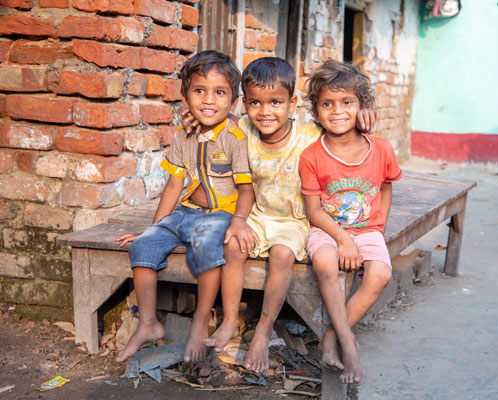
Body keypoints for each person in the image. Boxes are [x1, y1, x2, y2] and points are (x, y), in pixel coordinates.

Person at [183, 57, 377, 375]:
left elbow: (344, 123)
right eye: (256, 103)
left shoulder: (310, 135)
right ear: (245, 104)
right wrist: (192, 116)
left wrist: (367, 115)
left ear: (292, 103)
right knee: (232, 245)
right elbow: (213, 117)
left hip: (297, 220)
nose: (266, 111)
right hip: (258, 214)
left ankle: (263, 328)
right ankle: (231, 320)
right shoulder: (241, 129)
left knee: (282, 255)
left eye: (276, 102)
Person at [114, 50, 258, 363]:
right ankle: (148, 322)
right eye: (199, 91)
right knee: (144, 246)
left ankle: (199, 321)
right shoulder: (183, 135)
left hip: (219, 217)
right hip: (184, 212)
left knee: (208, 245)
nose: (209, 100)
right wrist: (153, 227)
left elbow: (247, 190)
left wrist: (237, 221)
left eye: (220, 93)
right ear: (185, 97)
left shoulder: (235, 137)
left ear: (233, 100)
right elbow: (174, 185)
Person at [298, 59, 403, 384]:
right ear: (316, 112)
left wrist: (378, 228)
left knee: (381, 273)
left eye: (347, 102)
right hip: (327, 230)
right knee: (327, 264)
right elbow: (314, 210)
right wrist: (343, 239)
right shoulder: (312, 156)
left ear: (362, 107)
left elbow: (385, 187)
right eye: (327, 103)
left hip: (368, 229)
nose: (337, 110)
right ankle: (349, 343)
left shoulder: (382, 149)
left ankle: (331, 335)